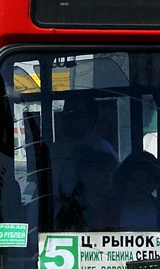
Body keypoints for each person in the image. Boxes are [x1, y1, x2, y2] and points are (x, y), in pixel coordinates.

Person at [50, 93, 119, 228]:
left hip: (85, 219)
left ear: (92, 118)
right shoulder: (54, 148)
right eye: (65, 114)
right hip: (50, 217)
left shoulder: (101, 150)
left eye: (75, 115)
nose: (68, 119)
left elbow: (108, 191)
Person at [93, 151, 160, 231]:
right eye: (137, 180)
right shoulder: (106, 209)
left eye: (149, 181)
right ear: (124, 179)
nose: (143, 186)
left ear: (155, 184)